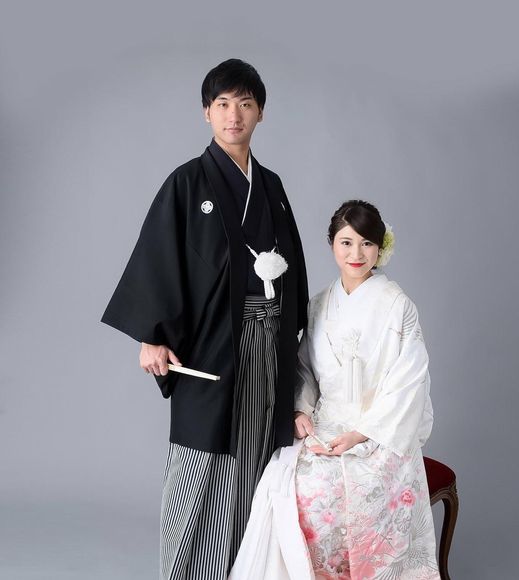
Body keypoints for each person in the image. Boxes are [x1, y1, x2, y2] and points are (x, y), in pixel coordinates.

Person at [101, 58, 308, 580]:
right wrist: (151, 334)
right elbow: (159, 258)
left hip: (267, 348)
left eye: (245, 104)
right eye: (222, 104)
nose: (233, 115)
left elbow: (294, 268)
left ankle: (247, 570)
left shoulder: (272, 186)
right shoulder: (188, 182)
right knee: (200, 468)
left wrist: (293, 335)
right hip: (213, 348)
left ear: (261, 113)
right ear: (206, 113)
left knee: (257, 463)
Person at [292, 200, 439, 578]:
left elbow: (409, 380)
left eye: (367, 243)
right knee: (300, 488)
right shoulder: (319, 304)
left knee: (358, 492)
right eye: (346, 242)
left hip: (380, 429)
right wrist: (302, 409)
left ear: (380, 247)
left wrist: (361, 434)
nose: (356, 254)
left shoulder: (397, 305)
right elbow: (305, 367)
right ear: (331, 244)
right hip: (326, 424)